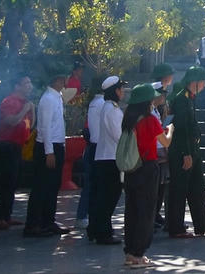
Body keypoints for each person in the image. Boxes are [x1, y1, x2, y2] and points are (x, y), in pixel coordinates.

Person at [123, 83, 171, 269]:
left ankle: (129, 252)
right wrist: (171, 129)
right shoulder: (150, 119)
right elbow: (165, 141)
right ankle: (138, 253)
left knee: (132, 210)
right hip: (148, 167)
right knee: (146, 211)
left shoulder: (128, 118)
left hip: (131, 168)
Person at [167, 66, 205, 238]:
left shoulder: (190, 98)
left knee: (198, 189)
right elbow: (181, 129)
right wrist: (186, 153)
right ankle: (176, 228)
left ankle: (203, 225)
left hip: (193, 150)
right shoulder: (181, 100)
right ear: (195, 82)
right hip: (183, 151)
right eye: (203, 81)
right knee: (179, 190)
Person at [24, 65, 68, 238]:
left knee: (52, 186)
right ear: (58, 80)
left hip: (57, 144)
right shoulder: (48, 99)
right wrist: (49, 151)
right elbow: (45, 127)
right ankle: (34, 223)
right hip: (47, 146)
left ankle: (48, 221)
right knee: (41, 186)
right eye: (63, 79)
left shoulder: (57, 97)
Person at [0, 73, 34, 230]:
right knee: (7, 182)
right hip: (7, 144)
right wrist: (25, 109)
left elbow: (31, 124)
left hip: (18, 145)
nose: (30, 86)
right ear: (17, 86)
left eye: (30, 83)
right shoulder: (9, 101)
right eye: (26, 83)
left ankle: (6, 215)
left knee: (13, 182)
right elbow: (12, 121)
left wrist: (32, 109)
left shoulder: (25, 102)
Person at [88, 76, 126, 245]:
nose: (122, 91)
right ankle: (103, 232)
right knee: (108, 197)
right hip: (110, 158)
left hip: (105, 157)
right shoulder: (113, 110)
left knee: (103, 196)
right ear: (115, 91)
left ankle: (97, 228)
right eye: (120, 89)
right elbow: (120, 136)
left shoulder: (108, 107)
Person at [76, 75, 105, 230]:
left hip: (91, 147)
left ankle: (84, 215)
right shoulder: (102, 103)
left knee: (90, 185)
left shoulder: (94, 102)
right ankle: (84, 215)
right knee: (93, 185)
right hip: (97, 147)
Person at [149, 64, 174, 230]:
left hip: (160, 152)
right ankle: (151, 217)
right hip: (154, 153)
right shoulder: (151, 113)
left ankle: (155, 215)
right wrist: (170, 130)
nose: (164, 97)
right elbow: (164, 140)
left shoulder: (156, 111)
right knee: (154, 189)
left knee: (160, 187)